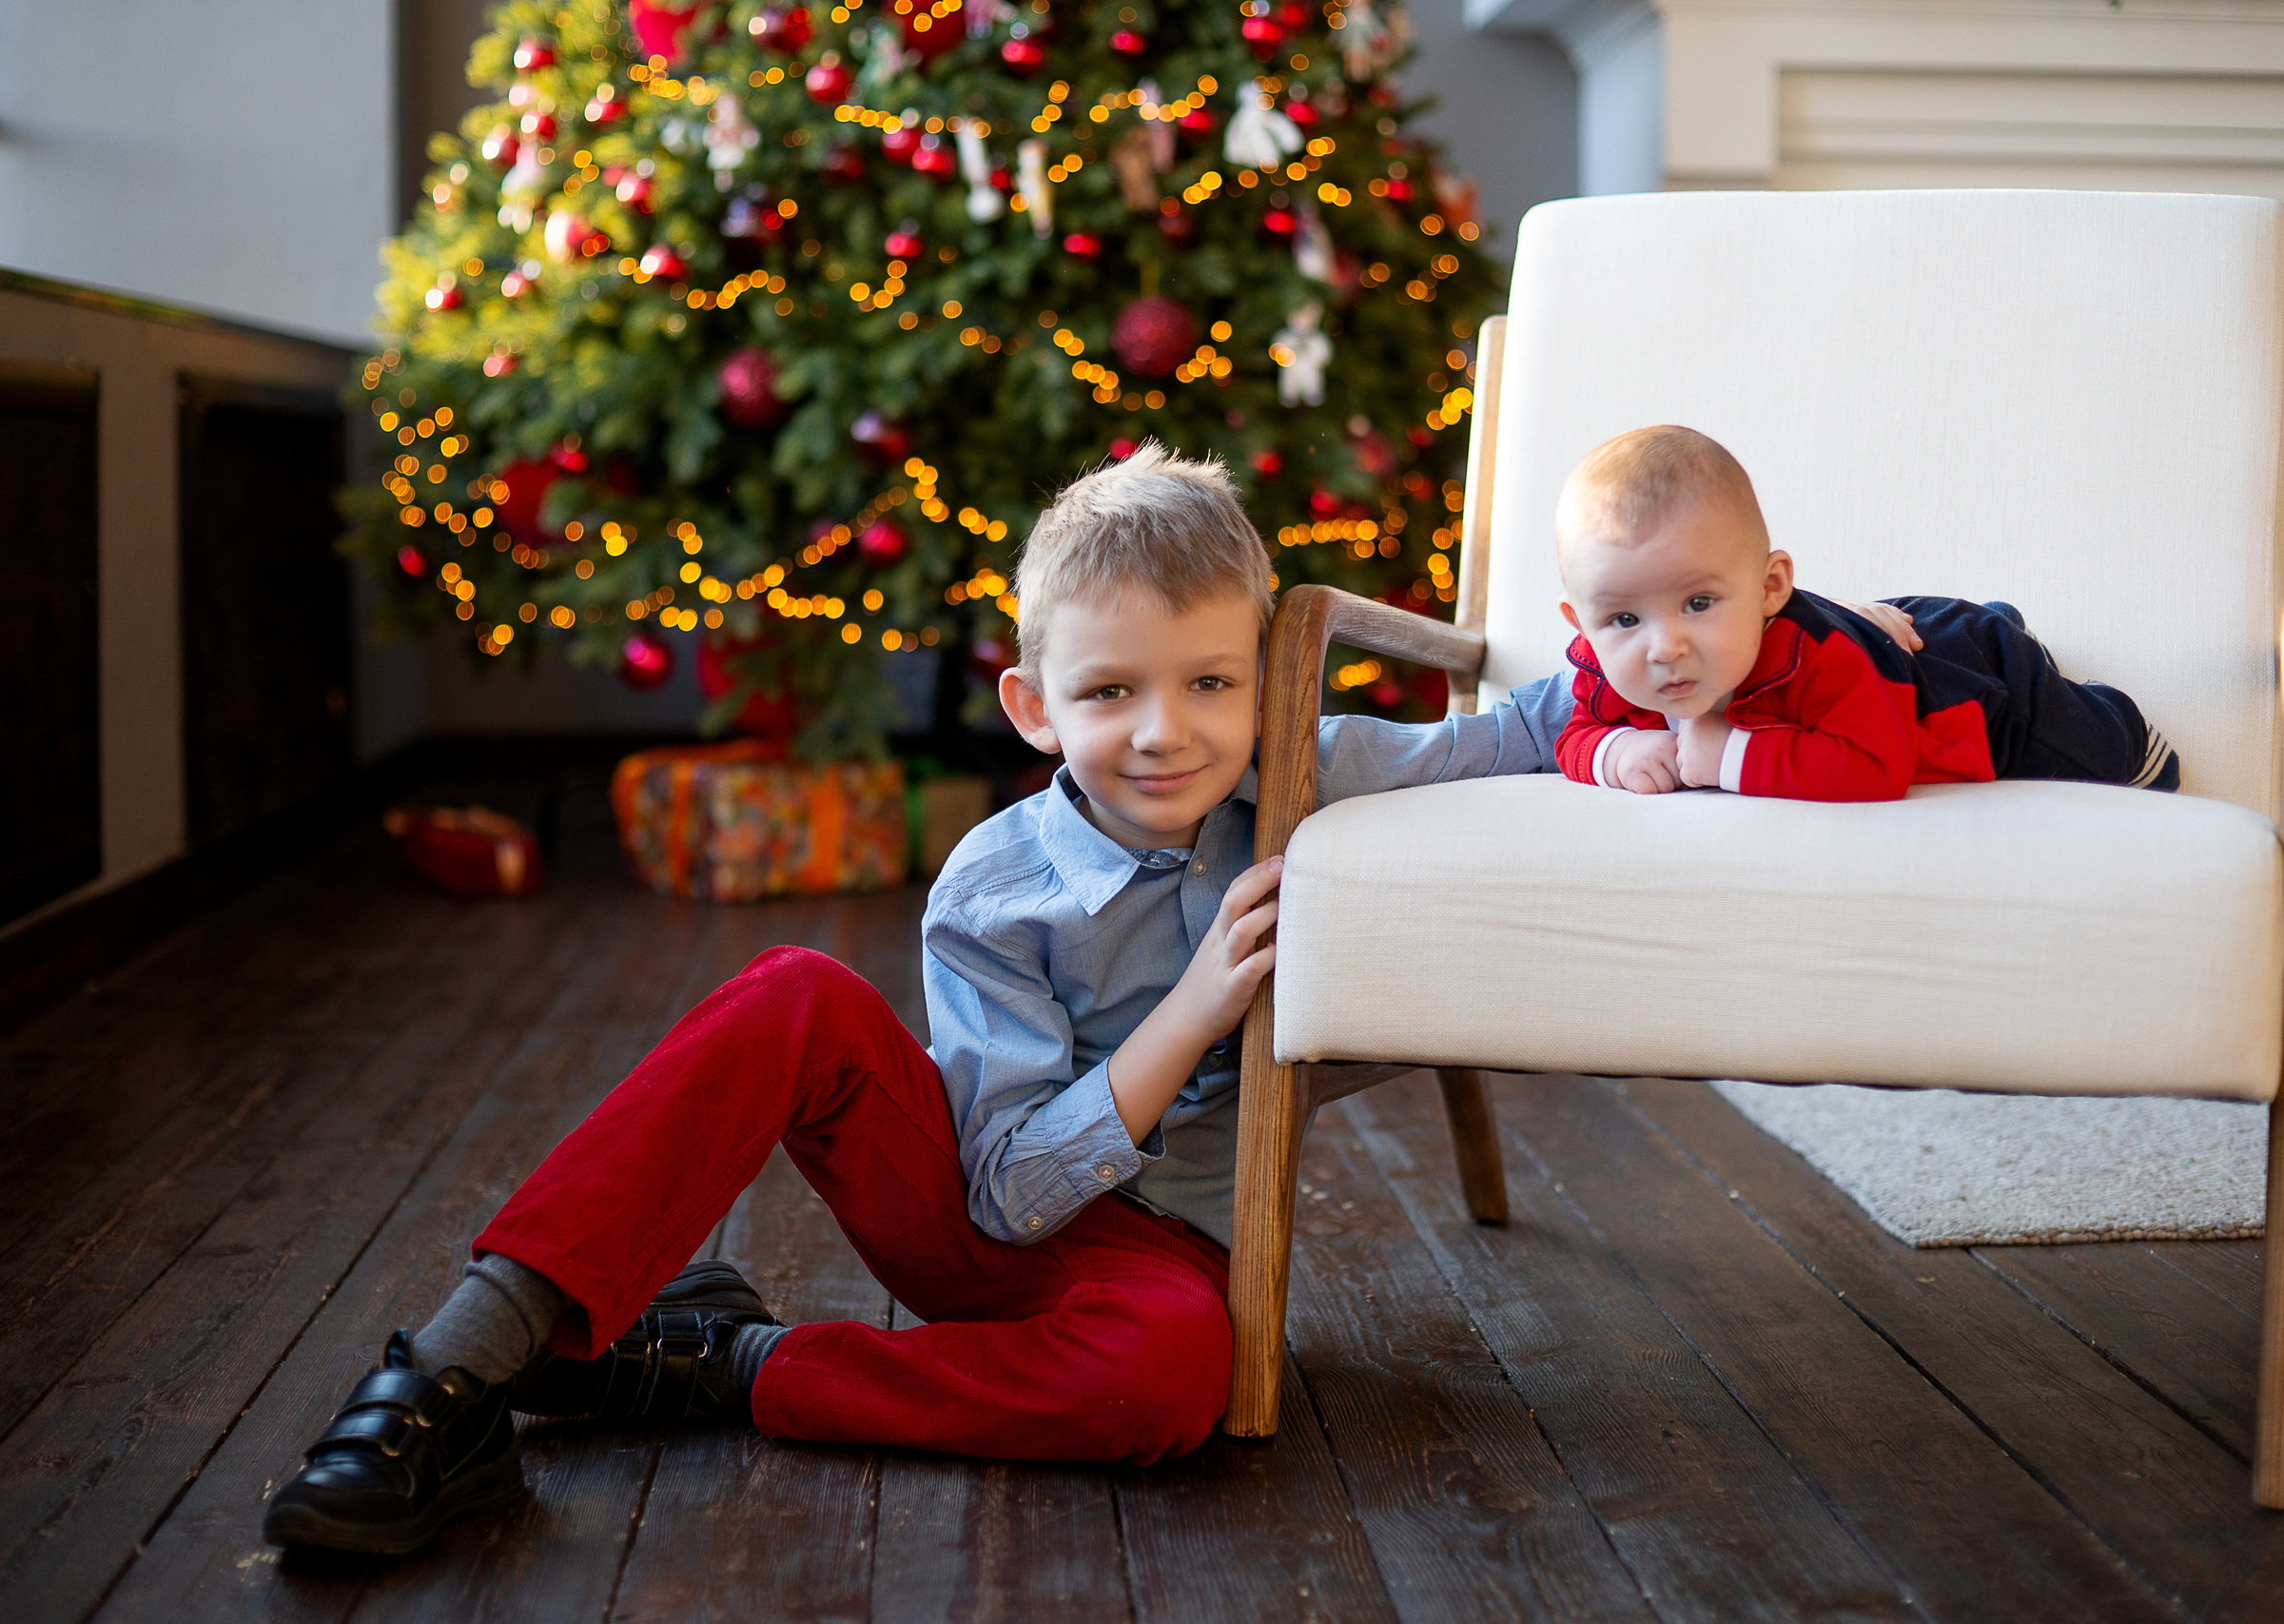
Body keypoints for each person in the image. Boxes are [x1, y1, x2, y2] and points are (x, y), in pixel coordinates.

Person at [260, 442, 1575, 1556]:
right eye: (1110, 689)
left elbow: (1521, 725)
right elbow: (1001, 1194)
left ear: (1273, 683)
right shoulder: (996, 884)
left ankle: (726, 1364)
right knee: (799, 991)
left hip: (1166, 1253)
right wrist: (1191, 1006)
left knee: (1181, 1374)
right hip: (983, 1203)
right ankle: (449, 1370)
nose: (1165, 729)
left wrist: (1723, 672)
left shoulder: (1312, 768)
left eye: (1211, 682)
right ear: (1034, 707)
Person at [1552, 425, 2178, 802]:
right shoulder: (1603, 669)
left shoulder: (1815, 659)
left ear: (1771, 588)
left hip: (1974, 691)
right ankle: (2001, 618)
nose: (1664, 647)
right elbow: (1572, 735)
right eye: (1624, 620)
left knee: (2096, 755)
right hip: (1885, 641)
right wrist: (1615, 752)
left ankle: (2039, 660)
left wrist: (1729, 756)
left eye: (1698, 603)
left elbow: (1878, 765)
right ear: (1582, 625)